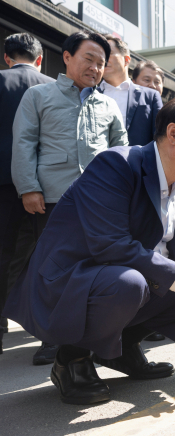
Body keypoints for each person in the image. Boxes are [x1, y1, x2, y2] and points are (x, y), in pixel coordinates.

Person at [2, 94, 175, 405]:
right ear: (172, 134)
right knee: (131, 284)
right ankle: (72, 359)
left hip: (124, 278)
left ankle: (122, 350)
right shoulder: (117, 164)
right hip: (71, 282)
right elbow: (110, 245)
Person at [11, 30, 127, 365]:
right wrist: (29, 188)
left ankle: (90, 337)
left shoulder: (108, 104)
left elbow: (122, 150)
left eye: (101, 63)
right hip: (53, 197)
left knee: (95, 270)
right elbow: (23, 144)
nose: (94, 67)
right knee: (51, 270)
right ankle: (51, 339)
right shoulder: (38, 95)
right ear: (66, 57)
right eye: (88, 58)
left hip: (99, 203)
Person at [0, 33, 55, 355]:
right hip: (46, 186)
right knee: (45, 255)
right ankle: (49, 335)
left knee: (3, 254)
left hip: (3, 183)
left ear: (7, 58)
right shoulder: (51, 86)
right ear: (38, 59)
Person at [100, 36, 162, 146]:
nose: (103, 58)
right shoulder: (88, 93)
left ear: (126, 60)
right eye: (101, 54)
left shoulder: (151, 96)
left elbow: (160, 139)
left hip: (136, 162)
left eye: (108, 53)